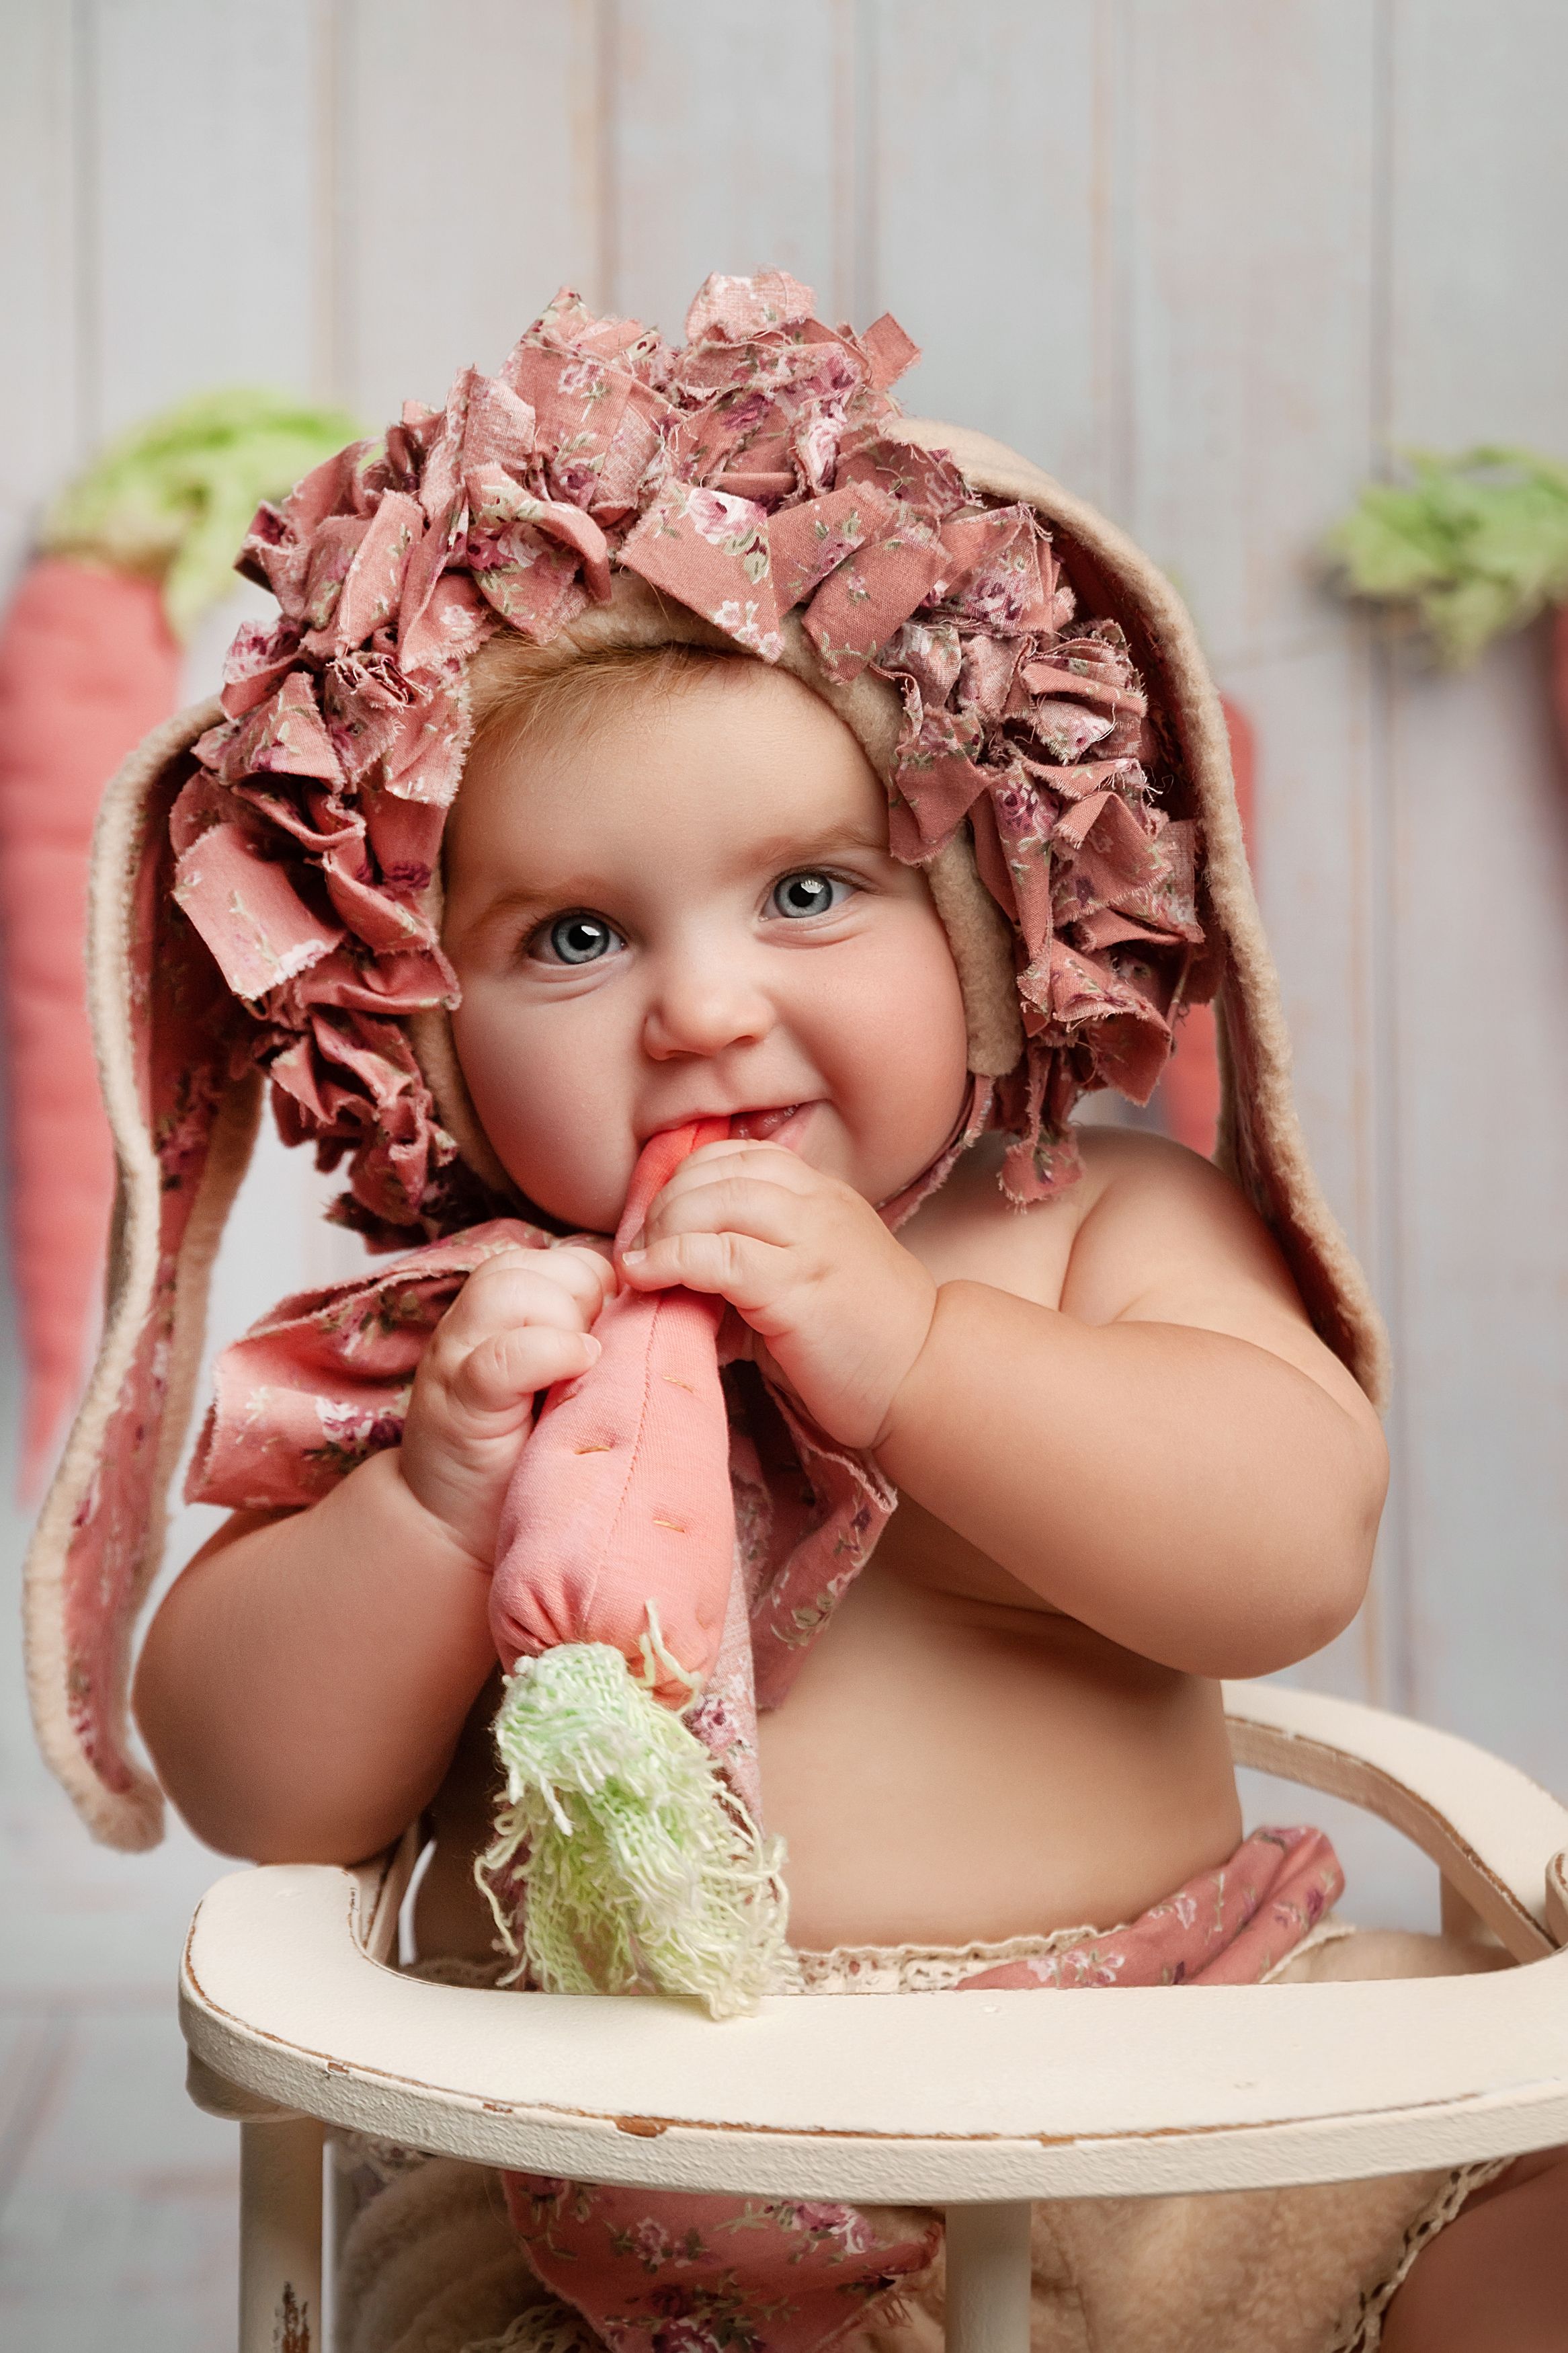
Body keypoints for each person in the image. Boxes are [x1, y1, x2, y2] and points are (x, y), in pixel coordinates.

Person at [28, 272, 1565, 2352]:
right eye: (576, 935)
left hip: (1182, 2081)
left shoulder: (1087, 1221)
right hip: (617, 2172)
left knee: (1522, 2226)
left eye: (811, 892)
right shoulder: (463, 1328)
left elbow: (1291, 1546)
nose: (705, 1004)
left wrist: (921, 1358)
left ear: (987, 925)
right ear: (425, 1027)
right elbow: (246, 1774)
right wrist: (436, 1504)